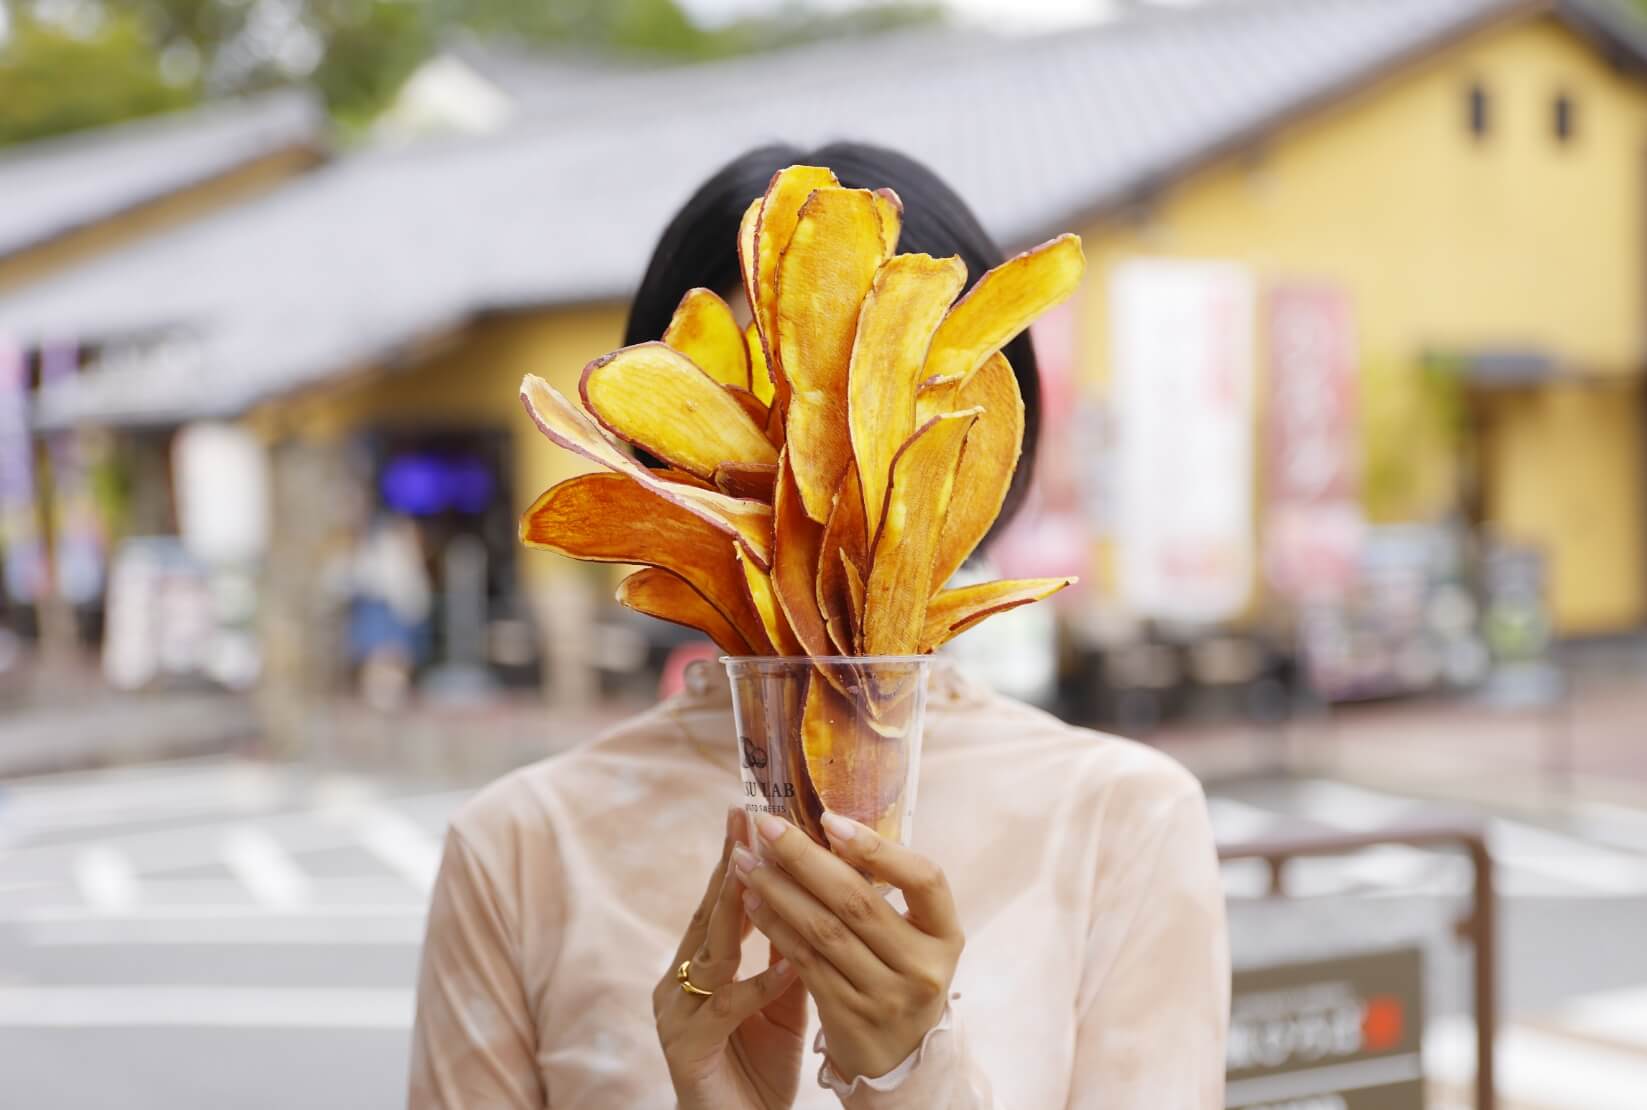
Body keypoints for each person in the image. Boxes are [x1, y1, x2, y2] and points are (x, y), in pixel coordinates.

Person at [408, 143, 1229, 1108]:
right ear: (654, 454)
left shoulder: (1122, 819)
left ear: (982, 443)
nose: (816, 473)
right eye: (764, 407)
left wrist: (912, 1078)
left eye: (875, 399)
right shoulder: (519, 848)